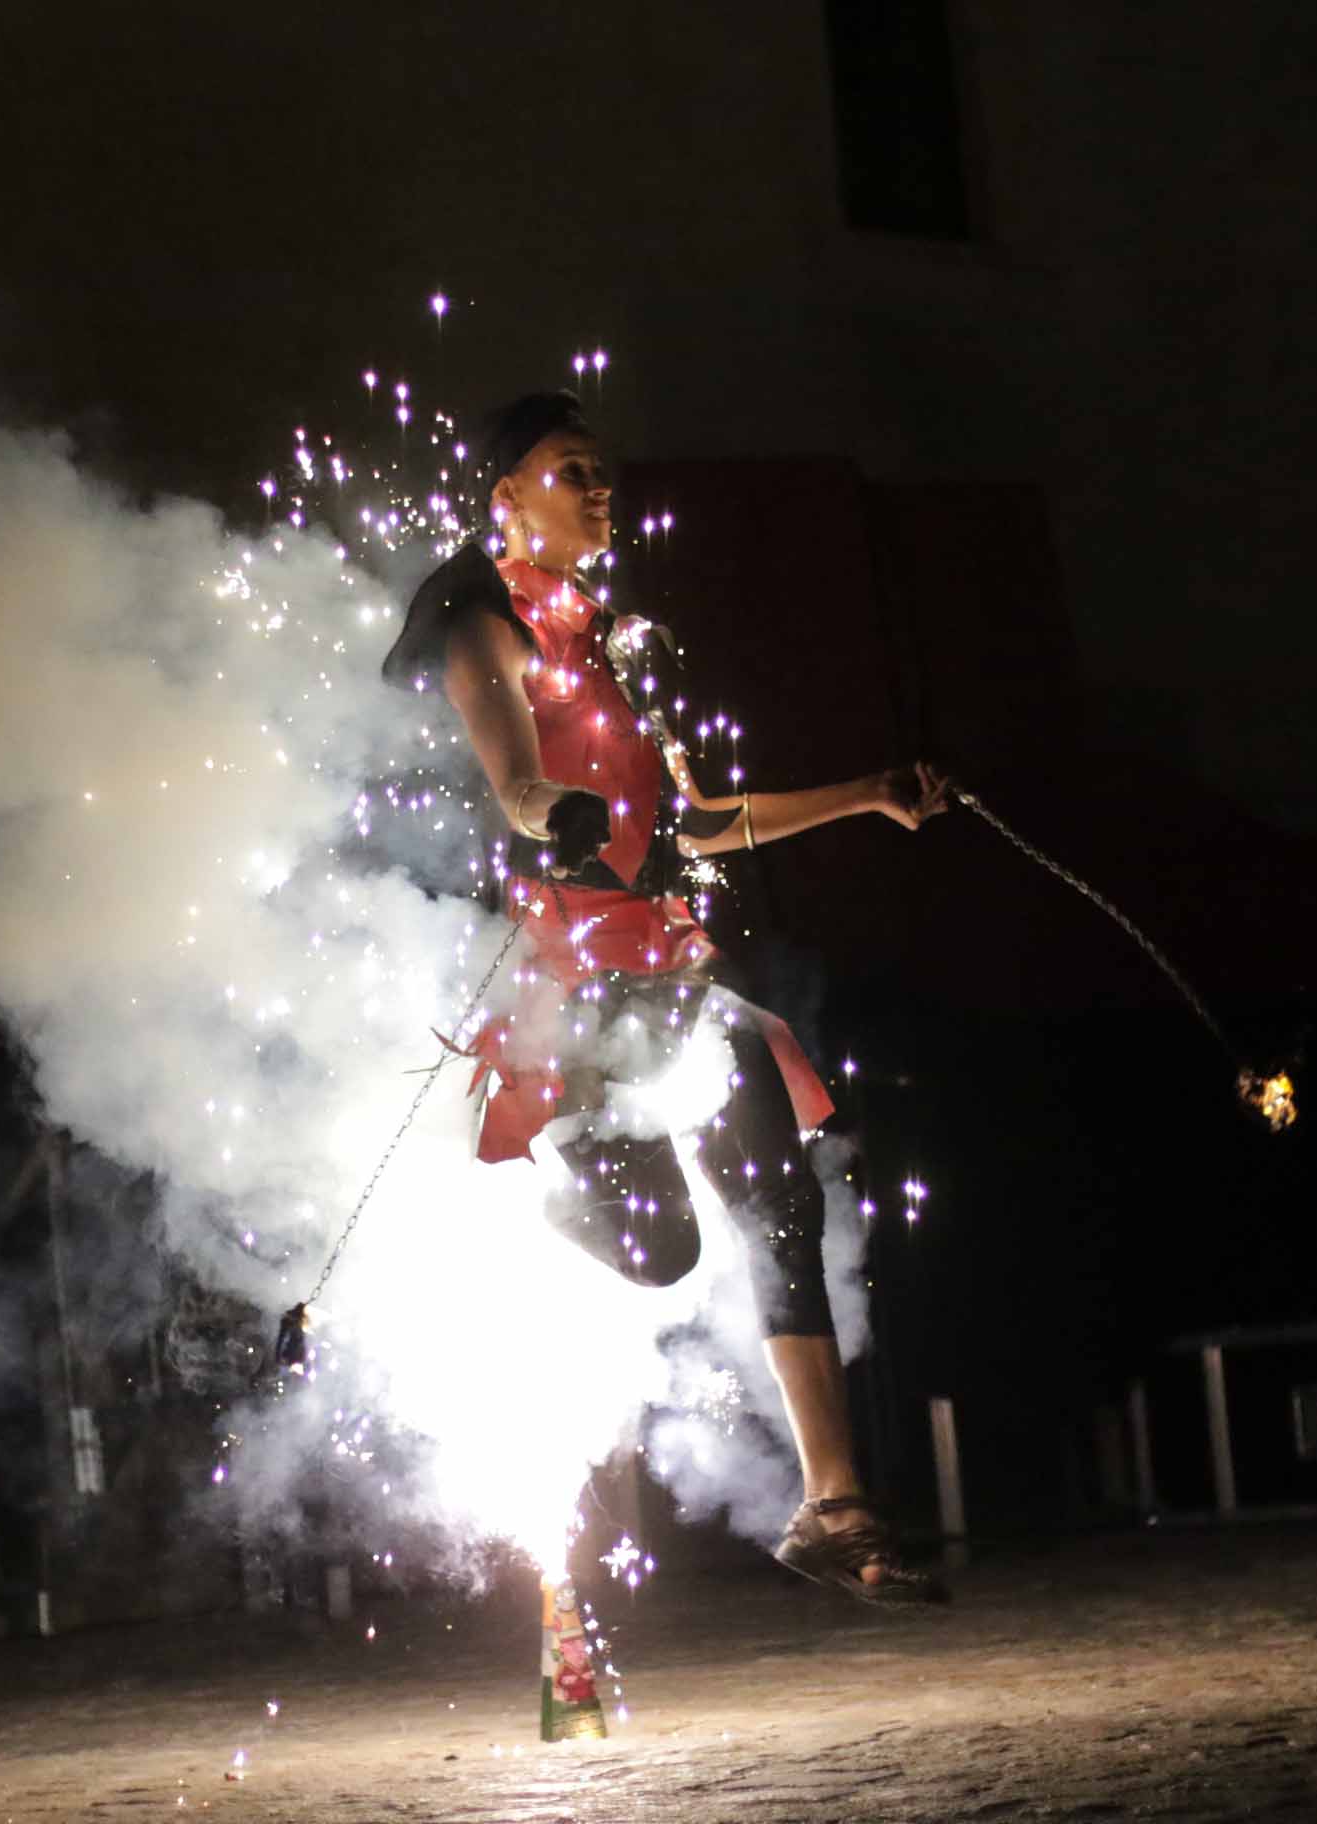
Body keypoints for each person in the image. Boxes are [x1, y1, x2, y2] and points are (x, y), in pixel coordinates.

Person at [383, 390, 953, 1602]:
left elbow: (693, 823)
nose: (600, 489)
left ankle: (834, 1505)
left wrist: (866, 793)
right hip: (579, 994)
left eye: (603, 470)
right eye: (571, 470)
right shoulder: (481, 623)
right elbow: (519, 790)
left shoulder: (617, 646)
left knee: (784, 1203)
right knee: (662, 1254)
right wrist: (559, 814)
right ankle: (547, 1204)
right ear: (507, 496)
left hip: (676, 976)